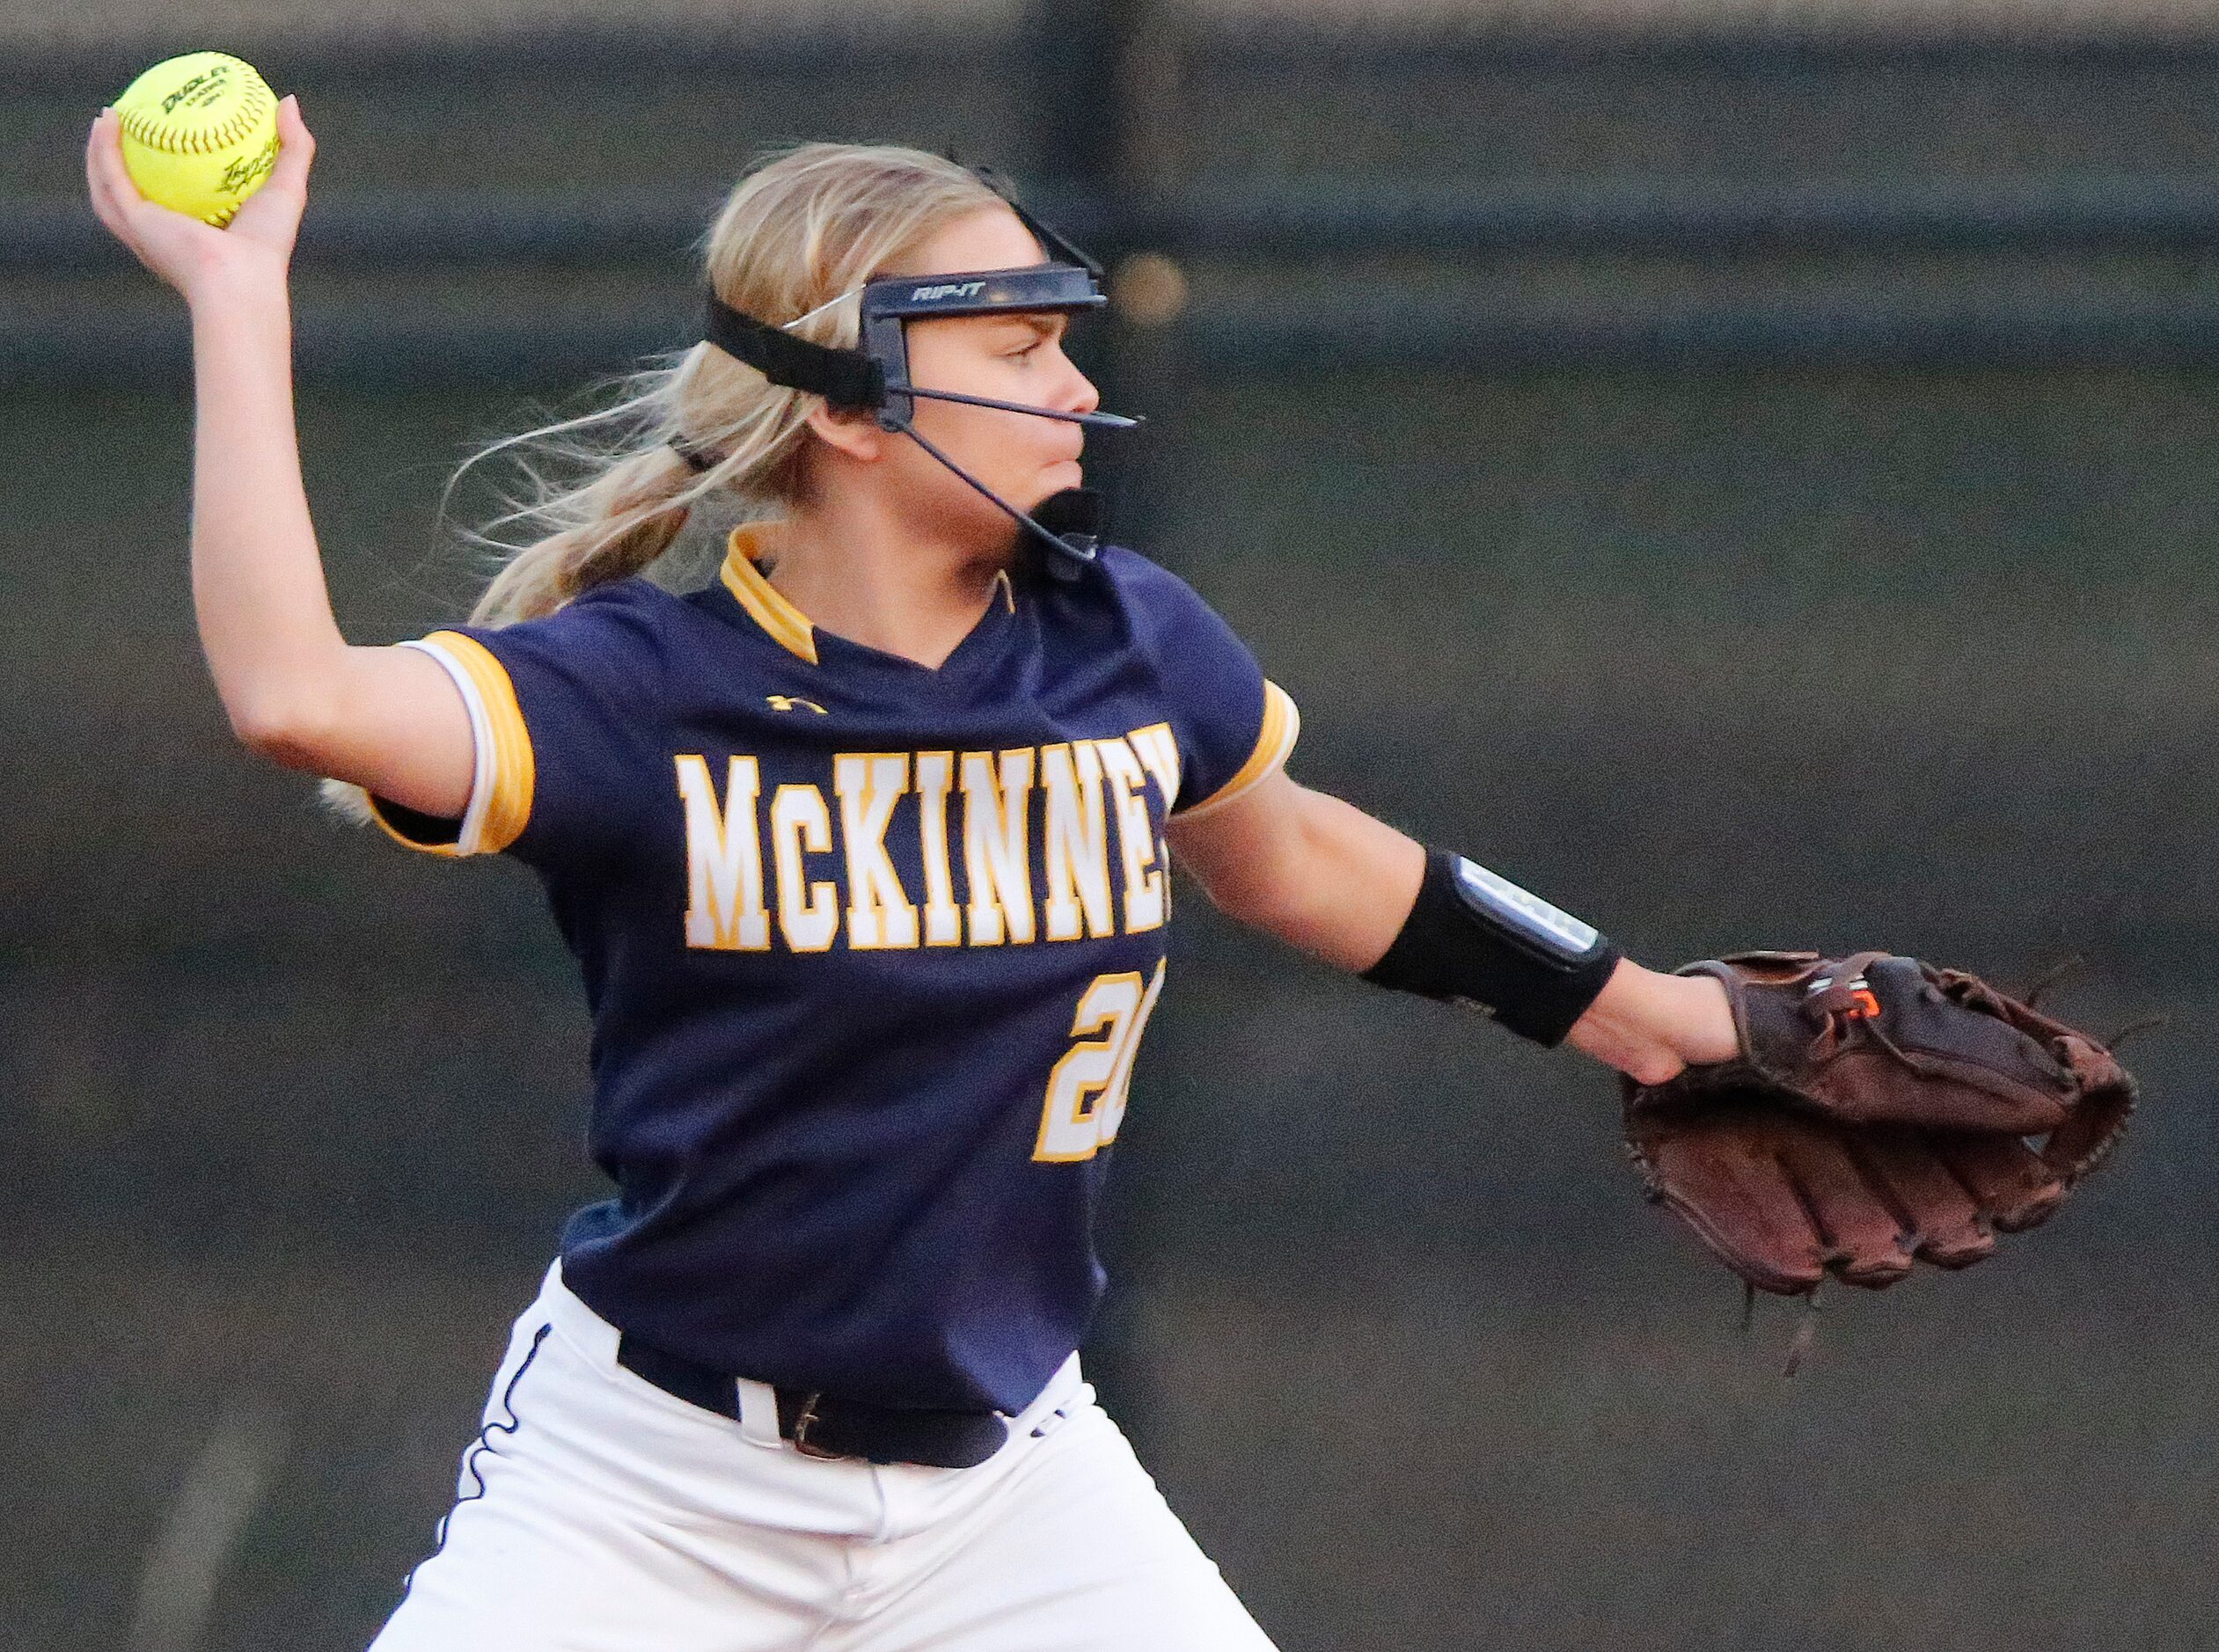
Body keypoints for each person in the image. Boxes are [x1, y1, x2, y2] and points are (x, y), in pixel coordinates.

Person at [87, 100, 1740, 1651]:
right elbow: (293, 697)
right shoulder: (640, 689)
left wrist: (1652, 1018)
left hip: (1008, 1475)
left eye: (1065, 345)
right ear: (843, 403)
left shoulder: (1124, 642)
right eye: (1016, 348)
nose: (1078, 389)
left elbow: (1297, 856)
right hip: (650, 1483)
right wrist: (237, 298)